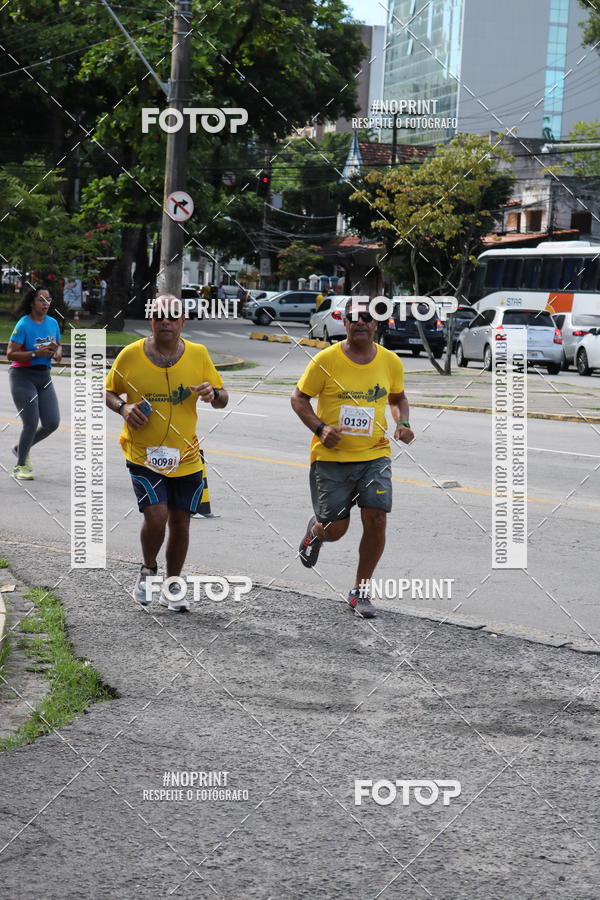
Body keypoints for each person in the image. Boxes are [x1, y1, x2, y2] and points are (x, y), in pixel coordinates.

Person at [291, 298, 414, 619]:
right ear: (344, 323)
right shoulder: (325, 360)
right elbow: (298, 398)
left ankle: (361, 590)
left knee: (377, 517)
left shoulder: (390, 362)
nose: (360, 322)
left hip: (375, 455)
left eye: (367, 318)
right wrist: (319, 428)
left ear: (377, 324)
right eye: (353, 318)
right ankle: (316, 532)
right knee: (336, 529)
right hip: (331, 459)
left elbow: (398, 398)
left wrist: (402, 423)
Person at [105, 294, 229, 612]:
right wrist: (123, 407)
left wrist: (213, 393)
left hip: (186, 456)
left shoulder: (199, 355)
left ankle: (173, 585)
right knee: (157, 515)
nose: (166, 322)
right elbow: (108, 391)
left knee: (181, 522)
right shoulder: (131, 355)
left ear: (182, 322)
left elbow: (223, 397)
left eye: (173, 316)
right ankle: (148, 569)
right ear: (151, 320)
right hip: (143, 455)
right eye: (159, 316)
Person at [6, 286, 62, 480]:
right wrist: (35, 353)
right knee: (31, 422)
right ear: (32, 302)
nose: (46, 303)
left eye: (48, 299)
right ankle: (21, 464)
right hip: (22, 375)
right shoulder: (23, 325)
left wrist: (56, 353)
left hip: (44, 377)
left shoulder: (53, 323)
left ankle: (19, 448)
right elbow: (10, 354)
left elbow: (58, 345)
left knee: (52, 423)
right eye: (41, 299)